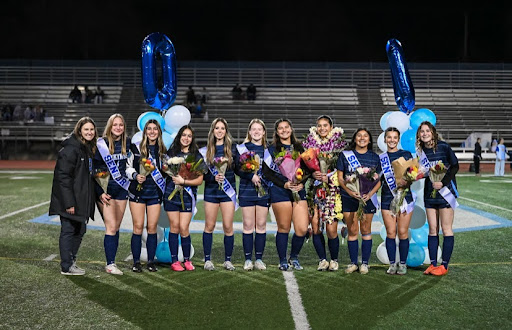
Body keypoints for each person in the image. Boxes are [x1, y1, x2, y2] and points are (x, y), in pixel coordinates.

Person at [49, 117, 97, 275]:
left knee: (80, 229)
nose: (89, 132)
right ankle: (66, 265)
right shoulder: (71, 148)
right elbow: (63, 178)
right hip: (70, 200)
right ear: (79, 131)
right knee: (69, 231)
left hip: (80, 199)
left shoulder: (85, 147)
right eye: (86, 129)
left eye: (92, 129)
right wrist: (69, 203)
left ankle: (71, 261)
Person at [303, 115, 346, 271]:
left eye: (325, 125)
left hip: (332, 191)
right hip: (315, 191)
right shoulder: (310, 144)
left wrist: (329, 177)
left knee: (331, 229)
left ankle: (334, 260)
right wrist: (312, 174)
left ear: (331, 126)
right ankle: (322, 260)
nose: (322, 128)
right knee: (315, 227)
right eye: (319, 125)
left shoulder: (339, 144)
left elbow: (342, 168)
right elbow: (304, 167)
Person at [417, 121, 459, 276]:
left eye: (427, 131)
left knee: (446, 229)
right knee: (432, 229)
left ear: (433, 132)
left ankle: (444, 266)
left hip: (446, 193)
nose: (425, 134)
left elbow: (455, 166)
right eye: (422, 132)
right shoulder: (421, 151)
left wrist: (443, 182)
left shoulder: (444, 147)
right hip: (430, 193)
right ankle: (433, 264)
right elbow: (424, 172)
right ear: (419, 135)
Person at [337, 128, 381, 275]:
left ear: (369, 140)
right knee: (352, 230)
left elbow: (379, 180)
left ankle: (365, 263)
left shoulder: (375, 157)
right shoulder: (345, 155)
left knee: (366, 230)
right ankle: (353, 262)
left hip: (367, 198)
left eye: (365, 136)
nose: (362, 138)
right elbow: (340, 178)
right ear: (355, 139)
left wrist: (369, 194)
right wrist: (350, 191)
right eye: (359, 136)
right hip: (349, 197)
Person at [268, 119, 309, 271]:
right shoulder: (272, 149)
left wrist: (302, 182)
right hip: (280, 190)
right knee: (284, 227)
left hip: (298, 189)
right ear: (277, 132)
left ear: (291, 129)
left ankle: (294, 256)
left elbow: (308, 169)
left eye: (286, 127)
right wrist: (284, 184)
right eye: (280, 128)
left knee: (302, 229)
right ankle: (282, 260)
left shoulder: (300, 147)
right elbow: (267, 173)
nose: (284, 130)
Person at [126, 119, 166, 273]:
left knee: (152, 228)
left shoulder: (163, 151)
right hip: (137, 192)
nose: (152, 132)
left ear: (159, 132)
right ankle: (136, 262)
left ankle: (150, 261)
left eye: (155, 129)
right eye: (149, 129)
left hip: (154, 193)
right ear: (145, 132)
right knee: (137, 227)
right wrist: (136, 175)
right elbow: (127, 167)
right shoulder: (136, 148)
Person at [93, 114, 131, 275]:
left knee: (116, 227)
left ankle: (112, 262)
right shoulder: (100, 144)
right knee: (111, 226)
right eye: (115, 124)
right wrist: (100, 192)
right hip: (105, 191)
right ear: (110, 126)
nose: (118, 127)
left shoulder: (127, 143)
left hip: (122, 189)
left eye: (121, 125)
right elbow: (93, 170)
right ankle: (109, 264)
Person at [165, 125, 204, 271]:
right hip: (171, 194)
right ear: (179, 137)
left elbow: (200, 180)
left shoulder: (196, 156)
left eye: (189, 136)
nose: (186, 138)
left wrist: (184, 182)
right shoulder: (171, 153)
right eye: (184, 135)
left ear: (192, 139)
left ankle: (187, 260)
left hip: (187, 196)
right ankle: (175, 261)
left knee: (184, 228)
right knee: (174, 227)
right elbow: (165, 171)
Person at [200, 118, 238, 271]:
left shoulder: (233, 149)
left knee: (228, 226)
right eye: (217, 128)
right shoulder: (206, 151)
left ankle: (227, 260)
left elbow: (239, 170)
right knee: (209, 226)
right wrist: (212, 177)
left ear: (226, 131)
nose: (220, 131)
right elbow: (201, 174)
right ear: (213, 131)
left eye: (222, 128)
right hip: (211, 191)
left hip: (227, 192)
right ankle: (207, 260)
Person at [237, 119, 272, 271]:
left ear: (264, 132)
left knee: (261, 226)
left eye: (259, 129)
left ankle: (258, 258)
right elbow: (237, 169)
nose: (257, 132)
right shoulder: (242, 148)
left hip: (263, 192)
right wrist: (250, 176)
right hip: (247, 191)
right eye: (254, 129)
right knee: (248, 226)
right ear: (249, 132)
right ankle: (247, 259)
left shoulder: (269, 150)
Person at [379, 127, 414, 275]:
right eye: (389, 137)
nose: (392, 140)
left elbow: (413, 174)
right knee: (391, 233)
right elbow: (378, 180)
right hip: (387, 198)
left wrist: (406, 181)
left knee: (403, 232)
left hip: (405, 197)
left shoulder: (405, 154)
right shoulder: (380, 158)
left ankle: (403, 263)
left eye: (395, 137)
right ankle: (393, 263)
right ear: (385, 139)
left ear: (398, 139)